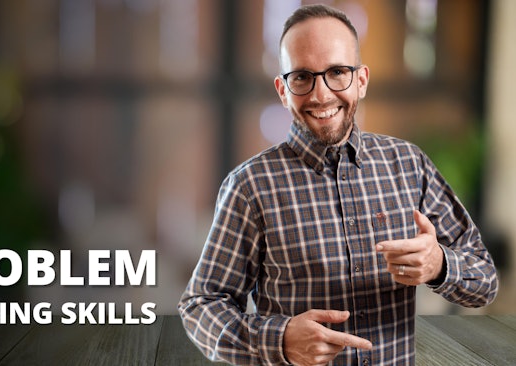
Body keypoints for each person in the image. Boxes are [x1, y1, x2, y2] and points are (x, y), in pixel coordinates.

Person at [178, 4, 498, 366]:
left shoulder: (409, 164)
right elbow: (200, 306)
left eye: (337, 72)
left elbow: (484, 280)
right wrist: (278, 341)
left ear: (361, 80)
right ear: (283, 90)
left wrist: (440, 265)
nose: (320, 95)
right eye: (302, 77)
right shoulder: (250, 186)